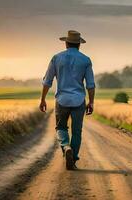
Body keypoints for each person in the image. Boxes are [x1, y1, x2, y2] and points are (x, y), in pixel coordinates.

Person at [39, 30, 95, 170]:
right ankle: (73, 159)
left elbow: (47, 81)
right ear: (79, 45)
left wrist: (43, 99)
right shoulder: (86, 60)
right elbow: (90, 84)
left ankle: (65, 146)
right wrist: (91, 102)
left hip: (62, 100)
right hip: (78, 100)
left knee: (61, 127)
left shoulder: (56, 58)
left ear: (66, 43)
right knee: (77, 131)